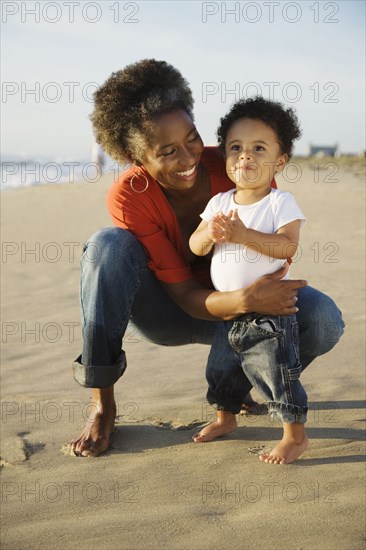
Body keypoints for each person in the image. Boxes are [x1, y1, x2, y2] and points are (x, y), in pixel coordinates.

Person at [67, 59, 344, 458]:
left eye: (192, 138)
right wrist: (245, 299)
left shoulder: (239, 164)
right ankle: (102, 403)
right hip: (171, 311)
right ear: (134, 154)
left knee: (324, 320)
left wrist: (250, 296)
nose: (189, 158)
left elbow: (274, 254)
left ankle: (244, 382)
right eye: (168, 151)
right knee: (107, 246)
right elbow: (182, 294)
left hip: (241, 313)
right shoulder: (129, 194)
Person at [190, 97, 308, 463]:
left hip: (269, 311)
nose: (246, 157)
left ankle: (294, 435)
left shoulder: (279, 202)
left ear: (280, 161)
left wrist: (244, 236)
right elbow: (195, 246)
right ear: (226, 157)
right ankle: (225, 417)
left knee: (277, 371)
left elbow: (288, 245)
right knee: (220, 370)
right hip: (229, 308)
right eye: (236, 148)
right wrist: (211, 233)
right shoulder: (219, 203)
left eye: (259, 149)